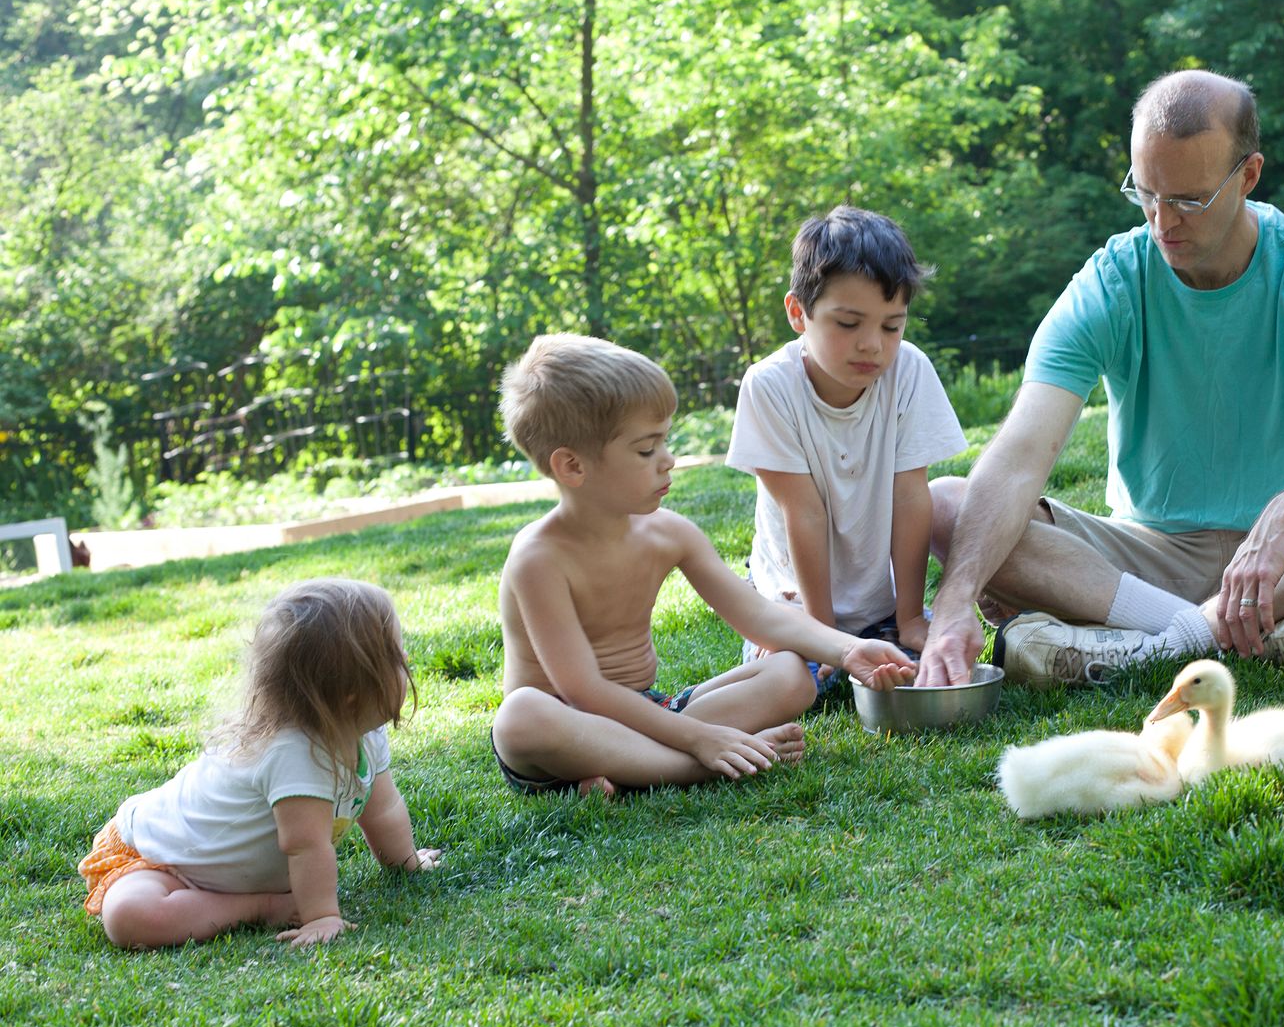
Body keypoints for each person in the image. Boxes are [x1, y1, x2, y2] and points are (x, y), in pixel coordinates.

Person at [919, 69, 1284, 688]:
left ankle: (1152, 643)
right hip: (1148, 559)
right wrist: (955, 600)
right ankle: (1232, 630)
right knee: (946, 506)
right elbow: (1020, 456)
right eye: (1146, 193)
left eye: (1187, 199)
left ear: (1249, 176)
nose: (1162, 221)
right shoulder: (1111, 282)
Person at [491, 333, 916, 797]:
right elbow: (582, 691)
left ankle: (631, 771)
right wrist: (700, 740)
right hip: (565, 724)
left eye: (665, 442)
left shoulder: (668, 533)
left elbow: (757, 615)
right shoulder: (539, 558)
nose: (668, 460)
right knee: (520, 716)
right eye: (645, 449)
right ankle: (695, 766)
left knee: (791, 673)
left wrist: (846, 650)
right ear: (573, 467)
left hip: (650, 711)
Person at [78, 579, 441, 950]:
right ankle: (261, 905)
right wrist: (321, 917)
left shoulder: (365, 732)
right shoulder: (294, 753)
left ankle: (250, 900)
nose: (408, 660)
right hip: (161, 859)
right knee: (130, 916)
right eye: (397, 654)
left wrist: (406, 863)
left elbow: (382, 809)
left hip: (220, 871)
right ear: (351, 693)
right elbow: (305, 845)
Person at [726, 205, 967, 692]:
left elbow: (910, 497)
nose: (872, 346)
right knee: (789, 686)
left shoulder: (910, 372)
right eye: (849, 323)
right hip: (795, 608)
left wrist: (910, 619)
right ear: (799, 313)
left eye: (891, 326)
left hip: (880, 606)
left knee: (922, 672)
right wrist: (825, 639)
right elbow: (804, 513)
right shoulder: (768, 386)